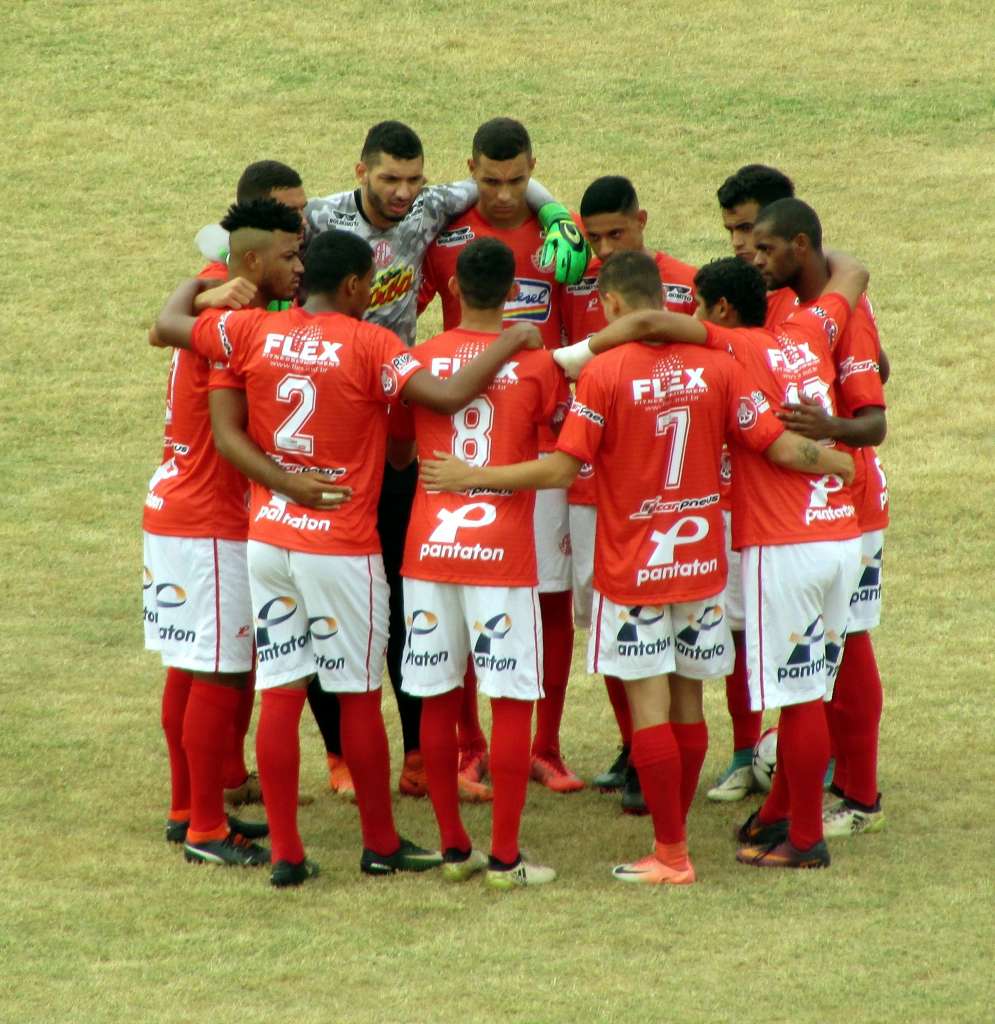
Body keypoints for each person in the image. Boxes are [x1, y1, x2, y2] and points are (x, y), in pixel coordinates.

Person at [422, 250, 861, 882]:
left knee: (650, 709)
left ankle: (672, 852)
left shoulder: (603, 375)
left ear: (614, 306)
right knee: (689, 705)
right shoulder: (720, 368)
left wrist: (473, 476)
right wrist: (836, 461)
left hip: (634, 567)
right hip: (701, 564)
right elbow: (780, 444)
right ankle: (675, 836)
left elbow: (559, 469)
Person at [154, 225, 544, 886]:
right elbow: (447, 398)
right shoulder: (373, 343)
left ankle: (285, 852)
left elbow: (168, 326)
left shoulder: (251, 331)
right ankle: (380, 842)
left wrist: (199, 285)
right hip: (338, 543)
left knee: (280, 690)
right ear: (358, 284)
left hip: (269, 536)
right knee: (357, 693)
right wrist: (510, 339)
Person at [304, 120, 587, 797]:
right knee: (337, 590)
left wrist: (553, 210)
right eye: (389, 179)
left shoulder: (435, 210)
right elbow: (252, 237)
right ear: (361, 170)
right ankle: (351, 753)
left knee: (415, 602)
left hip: (411, 408)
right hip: (355, 413)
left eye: (412, 179)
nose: (403, 193)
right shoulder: (319, 219)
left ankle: (444, 756)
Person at [579, 250, 871, 869]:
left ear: (718, 308)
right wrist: (842, 454)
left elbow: (651, 328)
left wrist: (571, 358)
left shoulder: (732, 353)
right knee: (811, 689)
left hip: (778, 543)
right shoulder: (810, 328)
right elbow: (853, 274)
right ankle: (777, 819)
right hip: (842, 534)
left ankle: (800, 836)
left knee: (794, 696)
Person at [418, 117, 582, 798]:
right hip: (459, 441)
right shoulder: (440, 233)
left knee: (548, 596)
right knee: (455, 600)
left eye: (518, 179)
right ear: (470, 169)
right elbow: (400, 310)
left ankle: (544, 745)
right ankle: (469, 746)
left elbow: (576, 328)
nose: (506, 193)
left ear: (533, 167)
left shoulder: (557, 237)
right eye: (490, 180)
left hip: (538, 442)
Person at [398, 236, 569, 886]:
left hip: (429, 550)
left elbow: (395, 451)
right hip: (499, 556)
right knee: (509, 697)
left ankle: (451, 849)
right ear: (511, 291)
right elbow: (557, 456)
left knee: (437, 699)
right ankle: (504, 857)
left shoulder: (420, 358)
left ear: (451, 290)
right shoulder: (538, 364)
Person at [143, 197, 305, 866]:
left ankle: (187, 808)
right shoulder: (236, 323)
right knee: (216, 673)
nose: (298, 266)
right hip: (210, 518)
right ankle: (209, 828)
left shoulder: (211, 312)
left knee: (189, 668)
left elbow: (161, 327)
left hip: (174, 505)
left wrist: (201, 286)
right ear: (253, 261)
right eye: (289, 256)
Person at [560, 175, 698, 811]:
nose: (607, 247)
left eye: (619, 232)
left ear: (642, 219)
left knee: (673, 641)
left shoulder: (687, 282)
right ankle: (635, 746)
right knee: (613, 637)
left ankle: (668, 760)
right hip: (593, 489)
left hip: (673, 496)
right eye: (595, 237)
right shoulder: (575, 283)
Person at [752, 198, 889, 836]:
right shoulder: (784, 301)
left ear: (800, 245)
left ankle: (860, 797)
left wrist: (828, 431)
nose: (746, 254)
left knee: (847, 640)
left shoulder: (845, 314)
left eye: (757, 241)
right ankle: (788, 798)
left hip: (849, 503)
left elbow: (873, 416)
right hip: (806, 507)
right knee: (812, 653)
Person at [705, 163, 797, 802]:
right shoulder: (739, 290)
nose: (741, 245)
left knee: (802, 636)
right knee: (738, 629)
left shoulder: (812, 300)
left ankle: (807, 758)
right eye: (734, 231)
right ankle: (746, 751)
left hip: (794, 503)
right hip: (732, 498)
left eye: (752, 233)